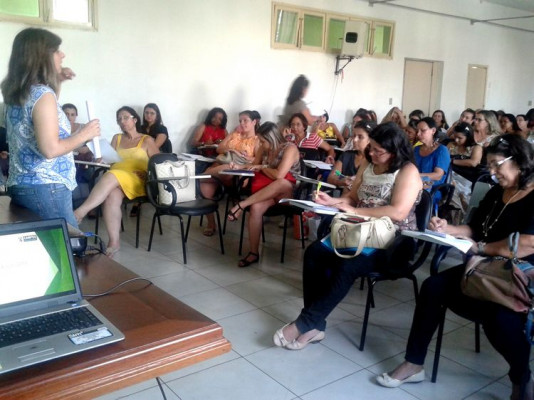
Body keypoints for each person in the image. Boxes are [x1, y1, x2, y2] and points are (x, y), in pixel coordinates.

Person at [377, 134, 534, 400]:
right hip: (483, 268)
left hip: (519, 275)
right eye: (489, 165)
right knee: (432, 287)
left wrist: (481, 247)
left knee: (499, 319)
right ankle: (414, 363)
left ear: (519, 161)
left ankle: (521, 376)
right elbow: (474, 228)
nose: (492, 172)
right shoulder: (497, 192)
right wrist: (448, 228)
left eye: (496, 165)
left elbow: (527, 244)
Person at [272, 122, 422, 350]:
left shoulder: (407, 171)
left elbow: (398, 212)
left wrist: (355, 211)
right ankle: (314, 326)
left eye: (378, 151)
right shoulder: (369, 164)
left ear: (395, 151)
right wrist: (332, 201)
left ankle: (305, 323)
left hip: (393, 240)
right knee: (314, 253)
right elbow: (352, 197)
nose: (372, 154)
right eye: (371, 148)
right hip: (359, 229)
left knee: (348, 264)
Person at [1, 28, 100, 228]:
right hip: (46, 187)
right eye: (56, 50)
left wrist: (58, 81)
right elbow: (50, 149)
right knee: (66, 244)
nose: (62, 55)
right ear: (41, 56)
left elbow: (45, 113)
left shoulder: (19, 93)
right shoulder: (42, 94)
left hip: (24, 184)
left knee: (47, 242)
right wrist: (84, 134)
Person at [74, 106, 159, 257]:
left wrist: (147, 173)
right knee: (111, 196)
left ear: (135, 119)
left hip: (137, 179)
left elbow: (159, 163)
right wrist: (100, 158)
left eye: (126, 118)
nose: (122, 121)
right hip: (117, 179)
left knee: (111, 175)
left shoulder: (147, 140)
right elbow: (110, 160)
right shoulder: (117, 138)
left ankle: (80, 212)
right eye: (119, 119)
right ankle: (114, 242)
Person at [226, 122, 300, 267]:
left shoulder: (290, 148)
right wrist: (240, 166)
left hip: (287, 193)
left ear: (272, 139)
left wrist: (262, 167)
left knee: (281, 182)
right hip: (268, 191)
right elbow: (254, 165)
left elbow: (279, 175)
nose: (260, 143)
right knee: (256, 208)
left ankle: (241, 205)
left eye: (263, 141)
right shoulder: (264, 148)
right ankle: (253, 253)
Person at [200, 110, 261, 236]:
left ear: (254, 122)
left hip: (239, 171)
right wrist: (233, 150)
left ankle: (197, 178)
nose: (242, 123)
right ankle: (211, 223)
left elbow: (258, 161)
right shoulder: (235, 134)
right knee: (205, 186)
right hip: (220, 166)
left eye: (245, 120)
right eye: (240, 121)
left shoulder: (257, 140)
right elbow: (219, 148)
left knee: (226, 169)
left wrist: (245, 157)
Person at [327, 121, 375, 192]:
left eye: (360, 137)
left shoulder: (374, 161)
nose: (355, 140)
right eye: (354, 136)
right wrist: (340, 181)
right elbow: (332, 176)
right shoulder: (346, 155)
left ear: (370, 140)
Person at [414, 117, 451, 192]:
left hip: (433, 190)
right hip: (416, 184)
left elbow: (438, 175)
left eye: (423, 131)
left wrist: (415, 176)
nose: (418, 134)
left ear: (433, 131)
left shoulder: (441, 150)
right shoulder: (416, 149)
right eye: (417, 131)